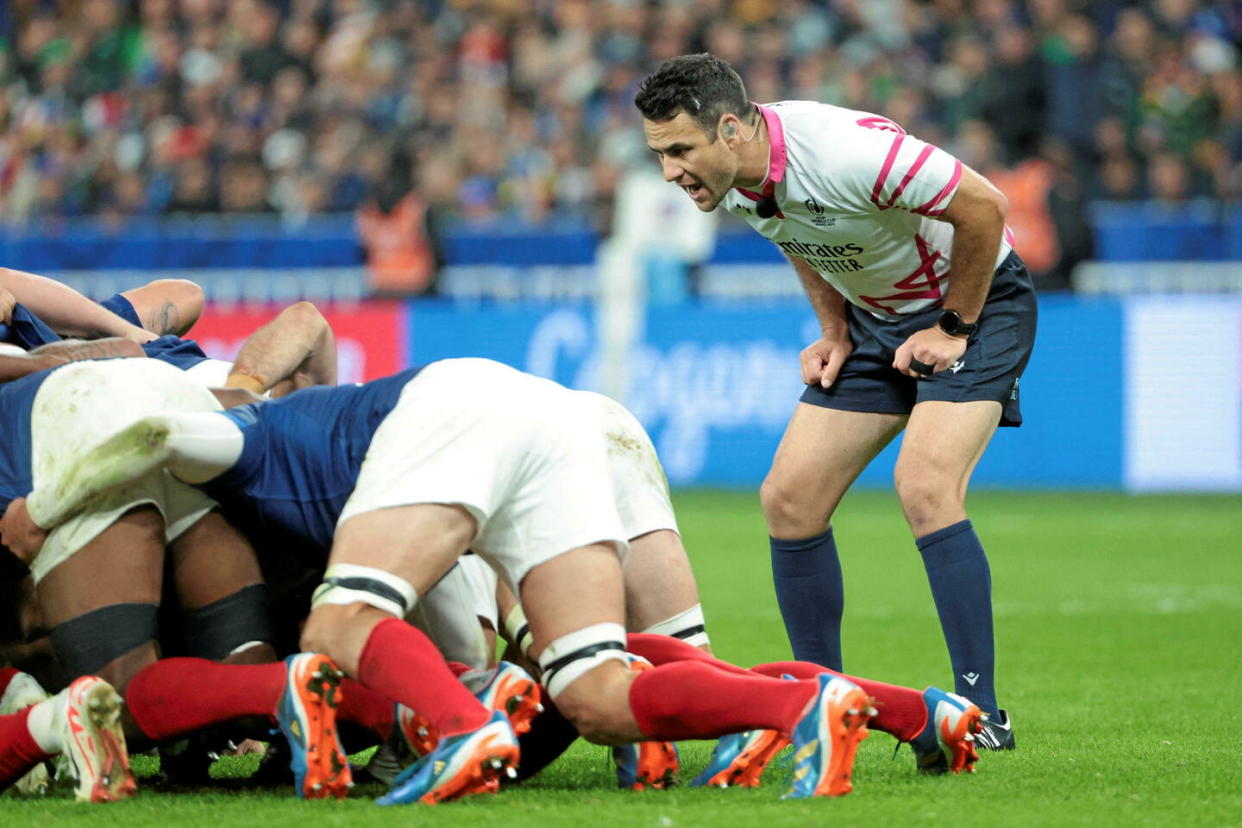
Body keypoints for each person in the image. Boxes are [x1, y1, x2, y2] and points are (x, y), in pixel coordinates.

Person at [9, 358, 986, 803]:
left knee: (341, 627)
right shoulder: (300, 444)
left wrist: (45, 510)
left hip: (456, 411)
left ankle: (465, 731)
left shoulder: (244, 438)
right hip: (556, 422)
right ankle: (867, 705)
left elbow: (150, 431)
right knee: (594, 690)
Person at [634, 53, 1037, 750]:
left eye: (679, 150)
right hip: (876, 321)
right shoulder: (734, 180)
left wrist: (953, 327)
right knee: (788, 498)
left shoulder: (847, 153)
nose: (669, 172)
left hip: (976, 306)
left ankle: (982, 717)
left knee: (924, 485)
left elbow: (985, 208)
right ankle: (823, 710)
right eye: (659, 154)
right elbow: (796, 235)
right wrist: (834, 330)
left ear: (730, 130)